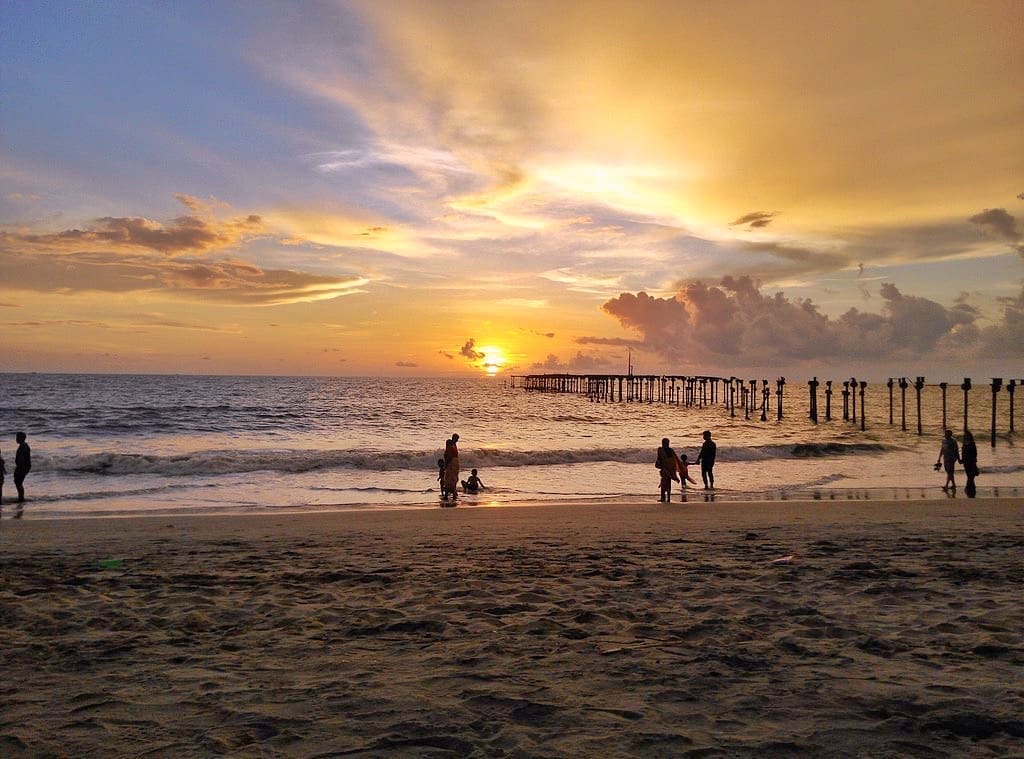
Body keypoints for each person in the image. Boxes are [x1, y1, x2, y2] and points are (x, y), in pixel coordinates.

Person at [656, 438, 680, 502]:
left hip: (666, 468)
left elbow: (659, 458)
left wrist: (659, 465)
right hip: (670, 468)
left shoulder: (661, 450)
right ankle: (668, 497)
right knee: (668, 483)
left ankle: (663, 498)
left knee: (664, 482)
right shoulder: (670, 450)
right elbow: (674, 460)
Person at [14, 431, 30, 508]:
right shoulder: (24, 445)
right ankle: (21, 497)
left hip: (22, 467)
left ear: (21, 438)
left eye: (17, 437)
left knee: (18, 482)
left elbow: (21, 459)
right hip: (24, 467)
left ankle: (21, 498)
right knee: (18, 482)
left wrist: (19, 468)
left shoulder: (23, 446)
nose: (16, 439)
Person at [961, 430, 979, 498]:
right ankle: (972, 487)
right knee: (969, 475)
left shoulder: (972, 443)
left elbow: (975, 453)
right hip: (965, 462)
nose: (966, 436)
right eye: (965, 435)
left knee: (971, 475)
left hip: (971, 461)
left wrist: (974, 461)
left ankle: (968, 487)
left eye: (967, 435)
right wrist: (961, 460)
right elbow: (963, 453)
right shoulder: (964, 443)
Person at [443, 433, 460, 501]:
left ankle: (448, 495)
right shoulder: (453, 445)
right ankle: (453, 493)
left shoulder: (451, 444)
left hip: (452, 463)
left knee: (448, 479)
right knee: (453, 479)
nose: (457, 441)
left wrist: (446, 464)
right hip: (455, 463)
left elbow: (449, 456)